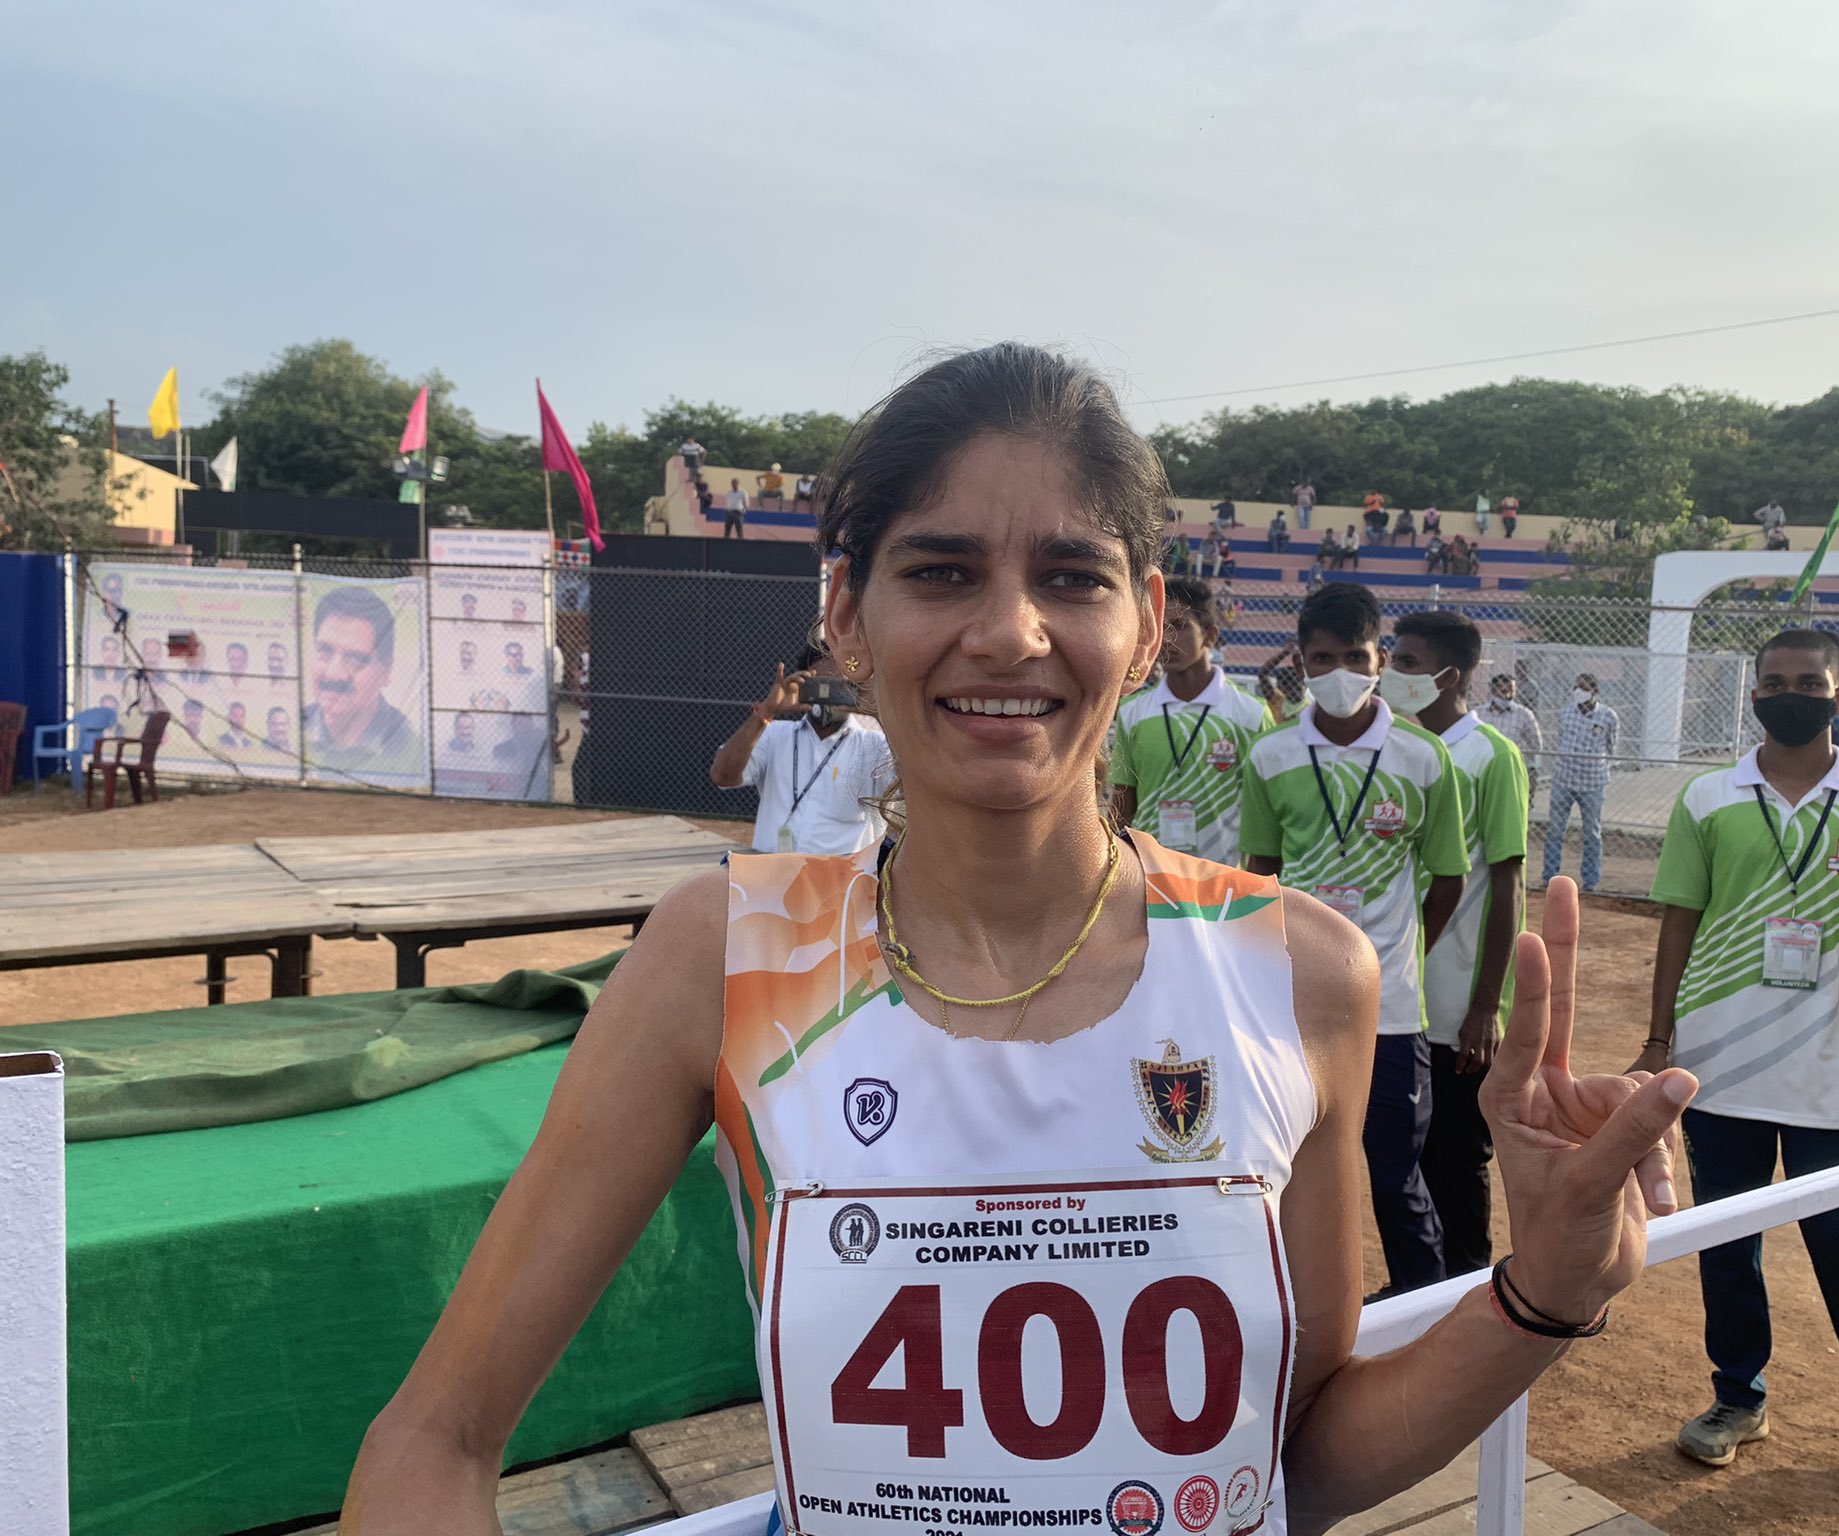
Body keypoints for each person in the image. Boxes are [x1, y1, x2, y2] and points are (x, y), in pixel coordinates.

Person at [340, 344, 1698, 1536]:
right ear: (844, 618)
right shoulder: (730, 952)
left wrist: (1542, 1293)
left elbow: (1295, 1464)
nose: (1009, 630)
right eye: (940, 571)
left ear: (1146, 621)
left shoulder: (1299, 973)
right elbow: (431, 1441)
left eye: (1070, 574)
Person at [1638, 627, 1839, 1495]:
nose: (1789, 692)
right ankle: (1739, 1398)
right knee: (1727, 1243)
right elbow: (1678, 925)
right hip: (1718, 1067)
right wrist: (1660, 1041)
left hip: (1832, 1077)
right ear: (1754, 693)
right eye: (1773, 681)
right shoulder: (1706, 799)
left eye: (1810, 681)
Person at [1241, 581, 1470, 1294]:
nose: (1337, 671)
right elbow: (1261, 873)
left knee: (1396, 1173)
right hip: (1295, 1004)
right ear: (1301, 665)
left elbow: (1448, 878)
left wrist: (1397, 959)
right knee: (1287, 1167)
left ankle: (1420, 1306)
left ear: (1379, 661)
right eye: (1320, 657)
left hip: (1393, 1010)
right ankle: (1297, 1314)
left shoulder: (1424, 755)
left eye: (1354, 655)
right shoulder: (1270, 755)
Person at [1388, 612, 1529, 1279]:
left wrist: (1486, 1006)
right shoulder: (1395, 751)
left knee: (1455, 1150)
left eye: (1407, 663)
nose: (1392, 672)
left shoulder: (1489, 756)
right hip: (1396, 990)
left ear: (1449, 676)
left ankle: (1468, 1282)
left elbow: (1507, 884)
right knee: (1401, 1154)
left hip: (1454, 1001)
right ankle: (1415, 1283)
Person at [1109, 576, 1271, 862]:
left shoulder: (1251, 714)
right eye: (1162, 627)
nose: (1168, 639)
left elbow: (1267, 814)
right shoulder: (1132, 712)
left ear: (1210, 636)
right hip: (1152, 875)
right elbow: (1123, 804)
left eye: (1180, 626)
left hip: (1225, 880)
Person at [708, 655, 894, 855]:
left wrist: (881, 713)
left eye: (838, 686)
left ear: (855, 688)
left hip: (842, 879)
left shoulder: (876, 746)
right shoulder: (773, 734)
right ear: (802, 684)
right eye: (818, 685)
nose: (826, 694)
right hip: (772, 874)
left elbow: (914, 786)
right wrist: (766, 712)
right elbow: (722, 776)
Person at [302, 586, 420, 771]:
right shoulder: (292, 729)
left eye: (354, 659)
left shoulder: (411, 749)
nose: (334, 673)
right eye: (325, 651)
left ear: (386, 670)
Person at [1542, 673, 1618, 891]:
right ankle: (1550, 877)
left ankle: (1591, 881)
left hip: (1593, 782)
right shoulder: (1565, 713)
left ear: (1594, 691)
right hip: (1563, 779)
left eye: (1583, 688)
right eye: (1576, 688)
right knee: (1555, 830)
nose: (1578, 692)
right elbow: (1560, 738)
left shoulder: (1608, 716)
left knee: (1592, 832)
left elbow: (1612, 746)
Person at [1484, 672, 1543, 805]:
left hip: (1514, 769)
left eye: (1512, 690)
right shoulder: (1480, 713)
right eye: (1503, 690)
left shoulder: (1524, 715)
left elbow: (1537, 746)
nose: (1508, 695)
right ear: (1493, 691)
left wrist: (1516, 753)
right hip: (1487, 768)